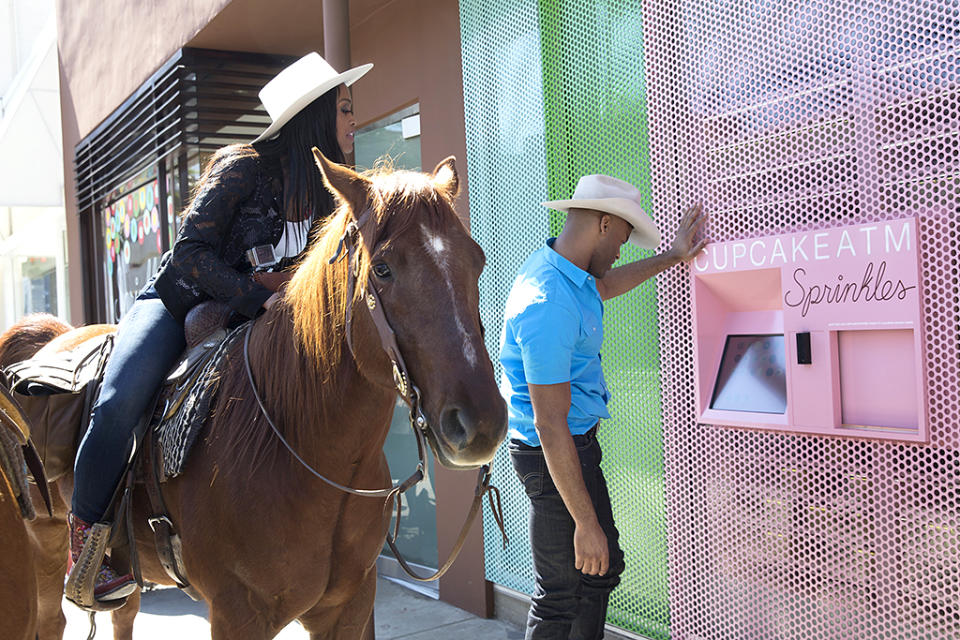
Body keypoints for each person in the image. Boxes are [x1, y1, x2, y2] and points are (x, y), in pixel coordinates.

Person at [67, 52, 373, 608]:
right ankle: (85, 543)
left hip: (254, 324)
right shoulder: (244, 165)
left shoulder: (332, 197)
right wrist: (261, 292)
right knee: (119, 401)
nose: (354, 121)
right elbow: (189, 255)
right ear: (315, 114)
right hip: (177, 301)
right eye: (345, 108)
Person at [499, 174, 707, 639]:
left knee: (599, 572)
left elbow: (606, 285)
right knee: (563, 593)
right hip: (553, 453)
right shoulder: (549, 301)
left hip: (571, 447)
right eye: (623, 238)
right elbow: (550, 424)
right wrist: (584, 522)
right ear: (604, 224)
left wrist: (673, 256)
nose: (621, 250)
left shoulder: (566, 274)